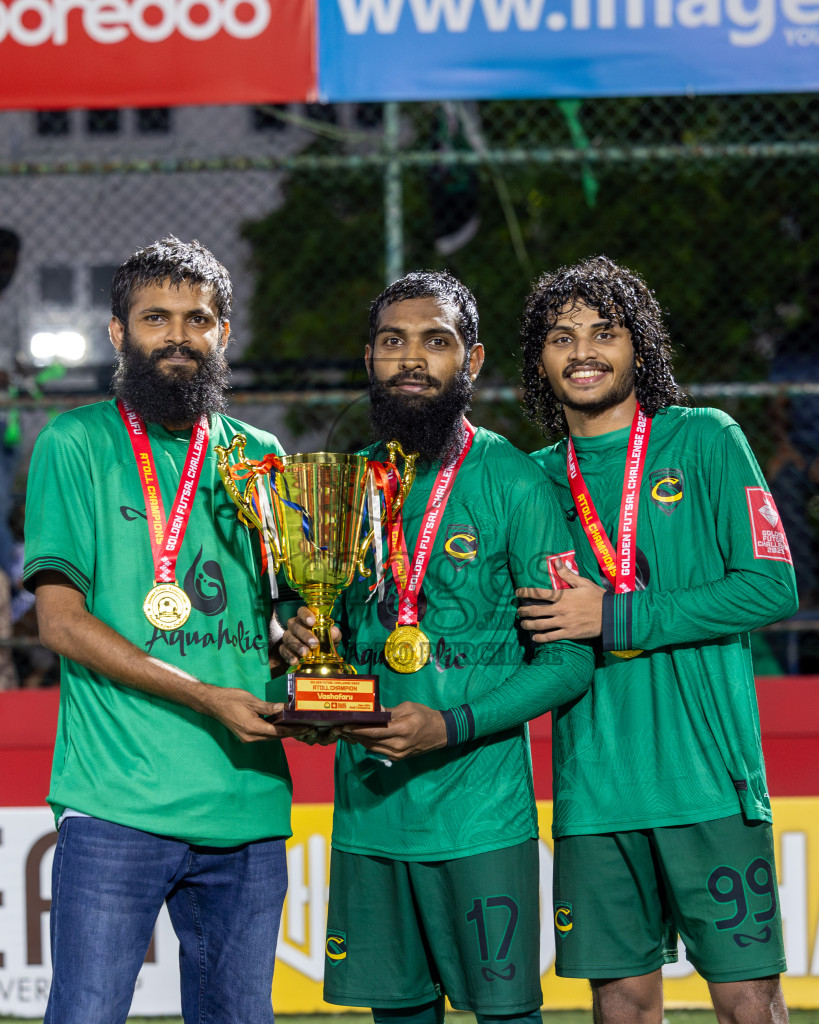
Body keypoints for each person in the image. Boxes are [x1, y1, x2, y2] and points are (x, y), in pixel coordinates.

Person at [282, 271, 594, 1024]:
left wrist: (447, 726)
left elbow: (566, 662)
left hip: (480, 817)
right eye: (393, 342)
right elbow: (326, 627)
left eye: (436, 340)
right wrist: (300, 635)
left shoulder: (515, 483)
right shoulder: (344, 486)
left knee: (505, 1014)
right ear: (369, 359)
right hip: (370, 812)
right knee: (397, 1014)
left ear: (473, 360)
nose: (412, 358)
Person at [516, 255, 798, 1024]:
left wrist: (613, 617)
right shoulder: (529, 481)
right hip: (593, 795)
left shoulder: (704, 439)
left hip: (709, 782)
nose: (582, 351)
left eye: (603, 332)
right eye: (560, 336)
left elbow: (771, 586)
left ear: (637, 347)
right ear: (538, 360)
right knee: (623, 1004)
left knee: (747, 999)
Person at [23, 237, 296, 1024]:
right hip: (117, 803)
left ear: (222, 334)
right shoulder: (76, 443)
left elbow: (276, 613)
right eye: (155, 318)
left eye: (198, 318)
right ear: (118, 334)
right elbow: (61, 623)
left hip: (245, 802)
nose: (178, 335)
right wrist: (210, 697)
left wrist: (299, 637)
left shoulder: (261, 457)